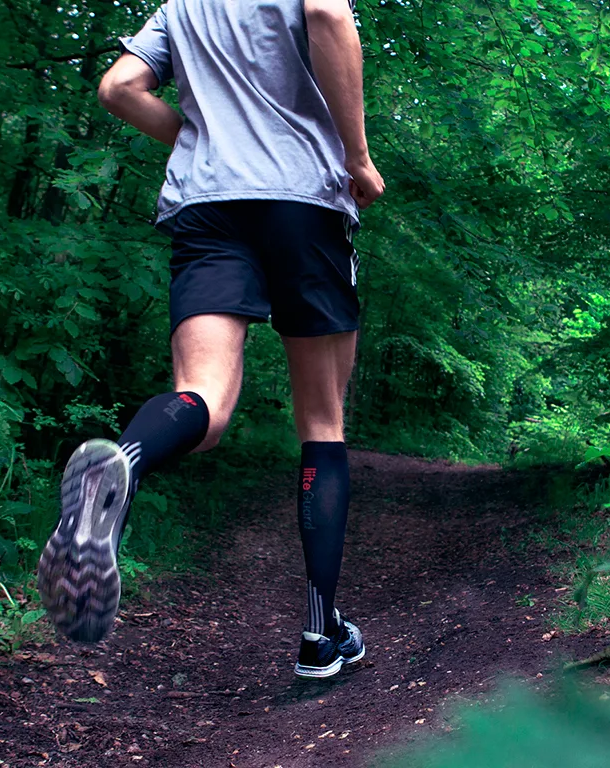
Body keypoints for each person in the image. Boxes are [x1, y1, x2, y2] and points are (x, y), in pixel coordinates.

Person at [37, 0, 385, 679]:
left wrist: (200, 143)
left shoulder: (180, 6)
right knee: (321, 421)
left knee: (203, 399)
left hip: (208, 204)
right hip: (302, 198)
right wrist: (357, 157)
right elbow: (327, 14)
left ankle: (124, 465)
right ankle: (320, 634)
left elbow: (118, 89)